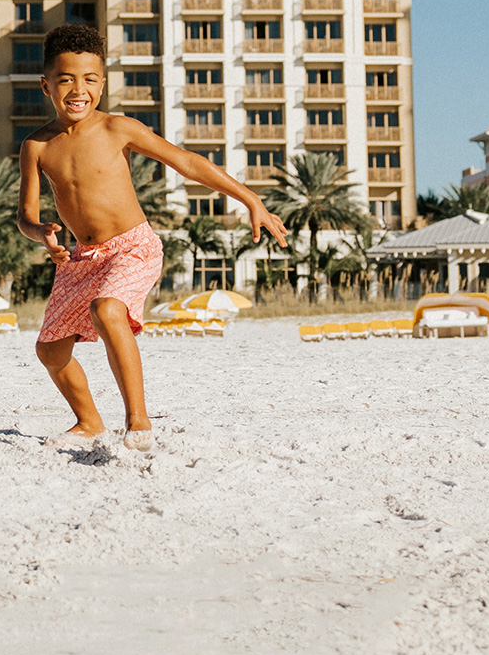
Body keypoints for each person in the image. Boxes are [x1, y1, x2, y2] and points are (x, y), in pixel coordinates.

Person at [17, 24, 287, 451]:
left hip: (132, 247)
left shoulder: (117, 128)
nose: (78, 89)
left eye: (89, 79)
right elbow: (25, 215)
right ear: (46, 84)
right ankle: (88, 421)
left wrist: (249, 199)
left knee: (108, 310)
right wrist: (42, 233)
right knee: (50, 351)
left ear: (102, 84)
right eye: (66, 79)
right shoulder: (36, 145)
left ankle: (137, 422)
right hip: (83, 257)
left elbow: (187, 163)